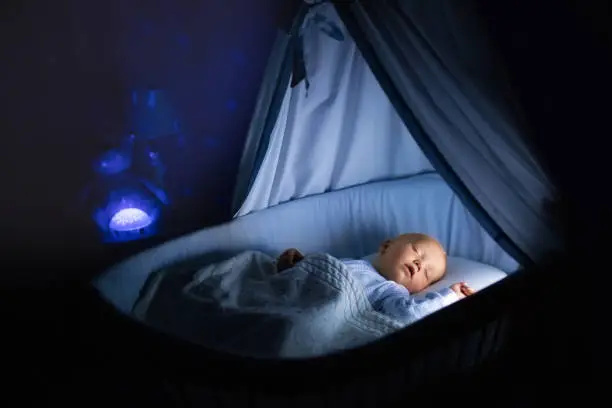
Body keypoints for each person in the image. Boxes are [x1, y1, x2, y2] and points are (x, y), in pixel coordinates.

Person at [276, 233, 475, 325]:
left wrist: (450, 296)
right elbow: (321, 273)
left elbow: (410, 314)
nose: (419, 264)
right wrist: (299, 264)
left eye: (427, 274)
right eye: (416, 252)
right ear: (386, 246)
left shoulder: (391, 292)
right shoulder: (353, 263)